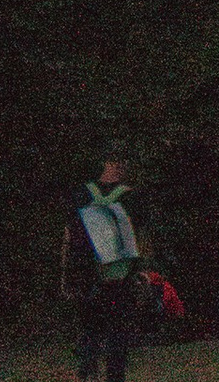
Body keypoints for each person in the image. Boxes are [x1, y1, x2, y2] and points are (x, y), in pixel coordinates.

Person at [63, 152, 148, 382]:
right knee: (117, 333)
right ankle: (114, 377)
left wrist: (67, 273)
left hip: (87, 273)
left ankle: (87, 373)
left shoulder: (81, 194)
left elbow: (70, 236)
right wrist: (141, 270)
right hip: (121, 275)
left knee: (89, 329)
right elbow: (138, 238)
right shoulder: (130, 198)